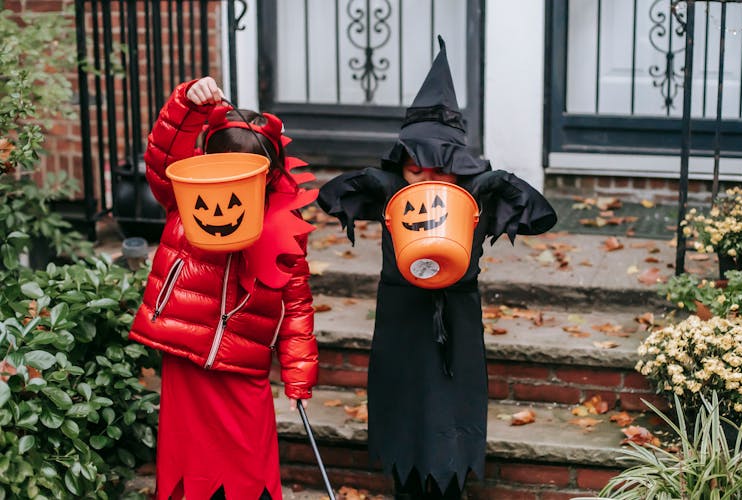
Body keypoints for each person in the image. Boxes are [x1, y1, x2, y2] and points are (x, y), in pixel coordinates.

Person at [317, 37, 557, 500]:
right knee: (405, 439)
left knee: (450, 442)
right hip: (401, 322)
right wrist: (380, 181)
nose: (426, 181)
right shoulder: (392, 193)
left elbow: (542, 215)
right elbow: (329, 197)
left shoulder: (475, 199)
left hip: (457, 327)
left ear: (459, 167)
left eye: (440, 169)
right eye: (414, 169)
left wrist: (496, 182)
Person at [129, 76, 319, 500]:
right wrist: (187, 105)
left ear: (268, 178)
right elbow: (163, 158)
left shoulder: (282, 229)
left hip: (242, 368)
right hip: (188, 358)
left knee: (248, 472)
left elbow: (296, 304)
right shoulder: (184, 199)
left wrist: (299, 373)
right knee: (190, 472)